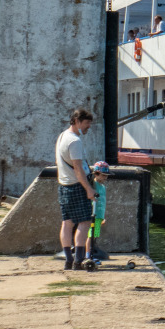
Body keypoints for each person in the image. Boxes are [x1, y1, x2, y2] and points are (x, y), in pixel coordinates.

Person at [55, 108, 97, 271]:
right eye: (86, 123)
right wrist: (88, 189)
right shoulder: (75, 141)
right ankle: (78, 261)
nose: (88, 127)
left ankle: (68, 260)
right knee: (85, 222)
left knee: (67, 222)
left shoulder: (62, 136)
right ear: (77, 121)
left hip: (64, 184)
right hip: (77, 185)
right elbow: (78, 168)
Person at [84, 161, 111, 266]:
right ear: (96, 174)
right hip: (93, 215)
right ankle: (88, 255)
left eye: (106, 176)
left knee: (94, 236)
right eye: (103, 175)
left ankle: (90, 254)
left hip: (99, 215)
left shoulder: (102, 187)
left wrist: (102, 217)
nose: (105, 178)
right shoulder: (94, 184)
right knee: (90, 236)